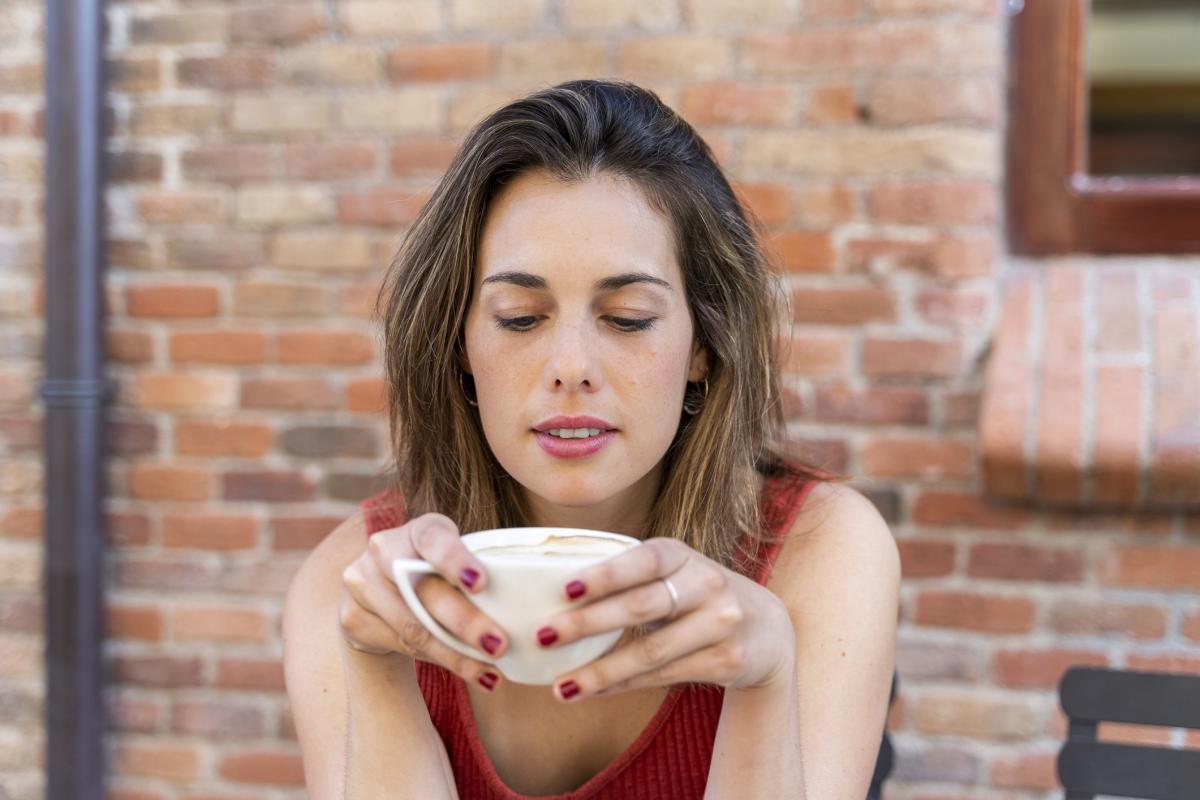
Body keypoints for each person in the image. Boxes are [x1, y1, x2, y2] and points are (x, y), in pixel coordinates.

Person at [283, 79, 899, 800]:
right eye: (519, 318)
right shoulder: (354, 587)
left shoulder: (818, 550)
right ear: (459, 344)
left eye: (629, 318)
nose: (570, 368)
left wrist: (765, 683)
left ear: (704, 343)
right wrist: (374, 663)